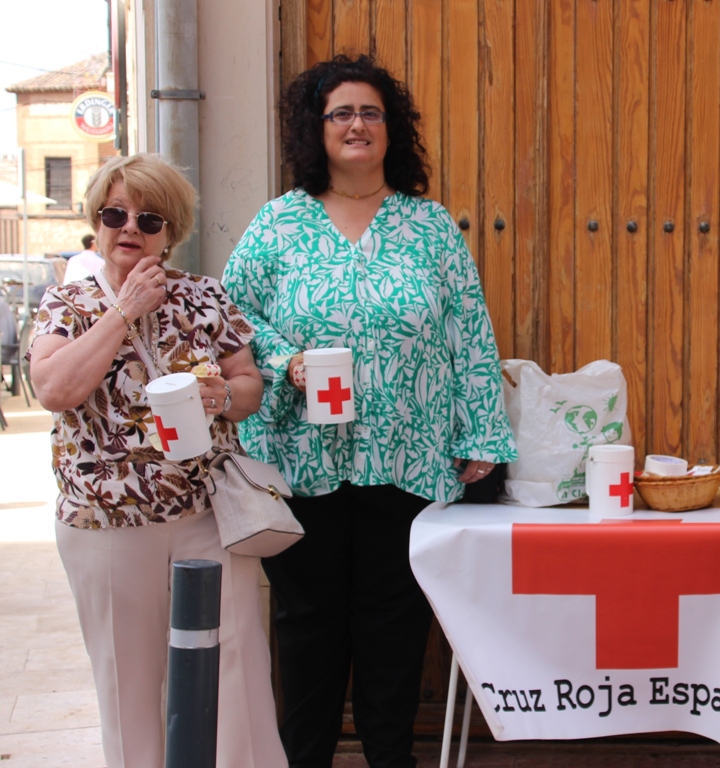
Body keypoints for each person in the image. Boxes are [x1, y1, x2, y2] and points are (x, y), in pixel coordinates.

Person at [222, 54, 517, 768]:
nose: (357, 125)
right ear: (315, 129)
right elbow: (228, 316)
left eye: (370, 112)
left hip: (407, 461)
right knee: (307, 631)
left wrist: (482, 435)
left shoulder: (429, 226)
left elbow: (467, 333)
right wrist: (285, 356)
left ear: (392, 129)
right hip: (302, 462)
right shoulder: (278, 224)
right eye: (341, 113)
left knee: (394, 635)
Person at [27, 153, 286, 768]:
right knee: (130, 678)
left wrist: (222, 396)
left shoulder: (204, 297)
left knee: (236, 665)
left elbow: (249, 384)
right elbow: (56, 390)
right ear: (97, 221)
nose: (130, 228)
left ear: (170, 232)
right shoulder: (67, 303)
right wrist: (124, 311)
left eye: (149, 217)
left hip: (206, 514)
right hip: (107, 523)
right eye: (115, 214)